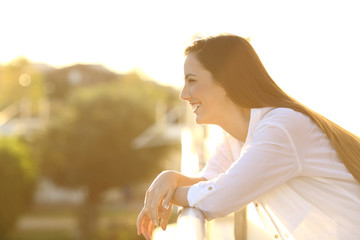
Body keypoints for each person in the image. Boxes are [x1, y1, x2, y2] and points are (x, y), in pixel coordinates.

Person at [136, 34, 360, 240]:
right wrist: (169, 178)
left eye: (192, 81)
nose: (183, 95)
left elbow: (219, 198)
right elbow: (210, 180)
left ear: (225, 81)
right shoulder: (236, 137)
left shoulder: (281, 127)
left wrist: (168, 196)